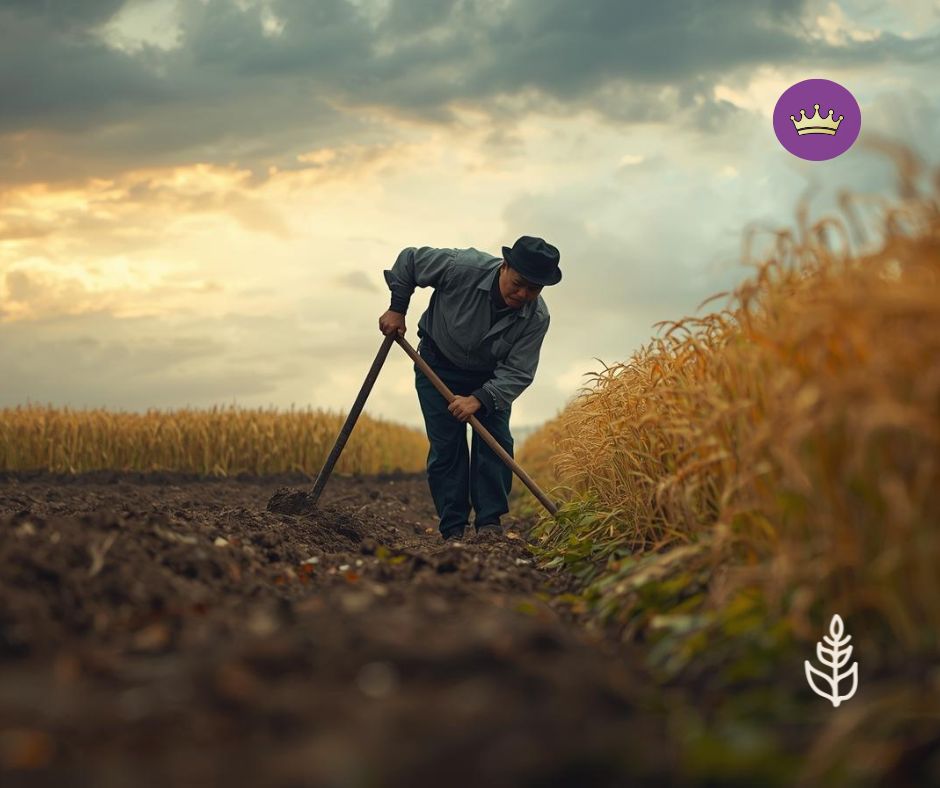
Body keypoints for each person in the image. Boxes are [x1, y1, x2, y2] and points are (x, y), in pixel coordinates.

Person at [378, 235, 561, 542]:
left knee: (496, 445)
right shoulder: (462, 267)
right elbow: (409, 260)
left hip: (490, 380)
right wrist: (397, 308)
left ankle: (489, 524)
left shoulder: (536, 317)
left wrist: (479, 399)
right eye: (518, 283)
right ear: (504, 266)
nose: (523, 293)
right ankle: (453, 529)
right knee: (447, 448)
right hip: (436, 366)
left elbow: (518, 371)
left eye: (533, 289)